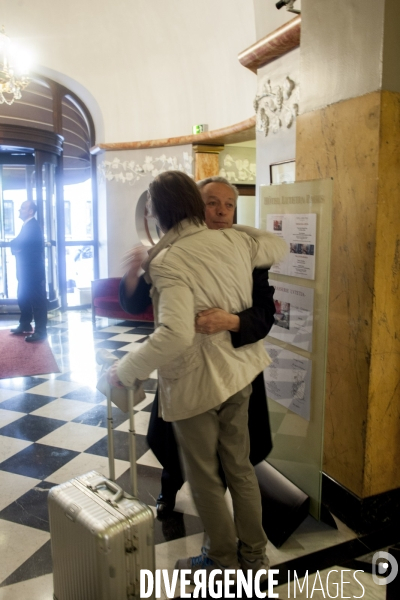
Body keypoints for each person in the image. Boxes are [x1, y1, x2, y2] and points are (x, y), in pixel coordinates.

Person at [109, 171, 287, 580]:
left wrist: (125, 369)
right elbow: (276, 246)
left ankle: (222, 559)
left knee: (206, 477)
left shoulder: (171, 259)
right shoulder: (236, 242)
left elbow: (173, 335)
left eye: (229, 206)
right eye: (213, 203)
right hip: (239, 375)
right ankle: (255, 557)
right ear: (195, 203)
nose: (222, 212)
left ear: (159, 212)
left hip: (198, 382)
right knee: (239, 468)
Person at [9, 200, 48, 342]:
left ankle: (41, 331)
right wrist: (16, 246)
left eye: (22, 208)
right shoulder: (27, 226)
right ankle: (25, 323)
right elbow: (16, 243)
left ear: (30, 211)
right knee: (23, 297)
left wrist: (17, 246)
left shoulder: (32, 226)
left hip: (33, 272)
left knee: (37, 301)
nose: (19, 210)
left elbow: (19, 243)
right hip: (26, 272)